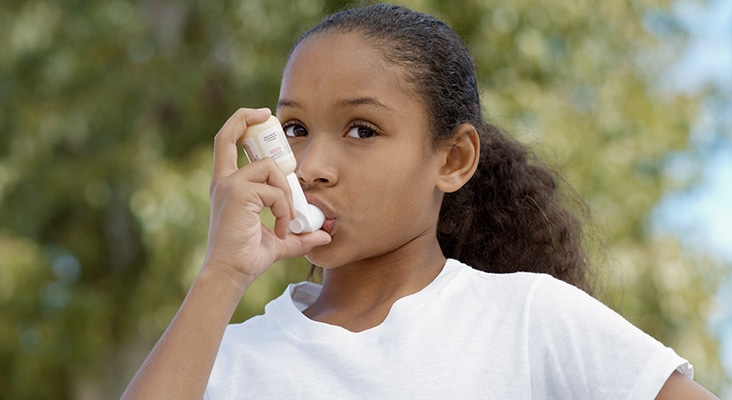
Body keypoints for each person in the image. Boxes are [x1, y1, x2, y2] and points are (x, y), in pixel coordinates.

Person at [122, 4, 718, 399]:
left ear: (453, 159)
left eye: (362, 130)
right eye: (295, 129)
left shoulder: (528, 319)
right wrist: (221, 274)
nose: (310, 167)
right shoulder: (224, 358)